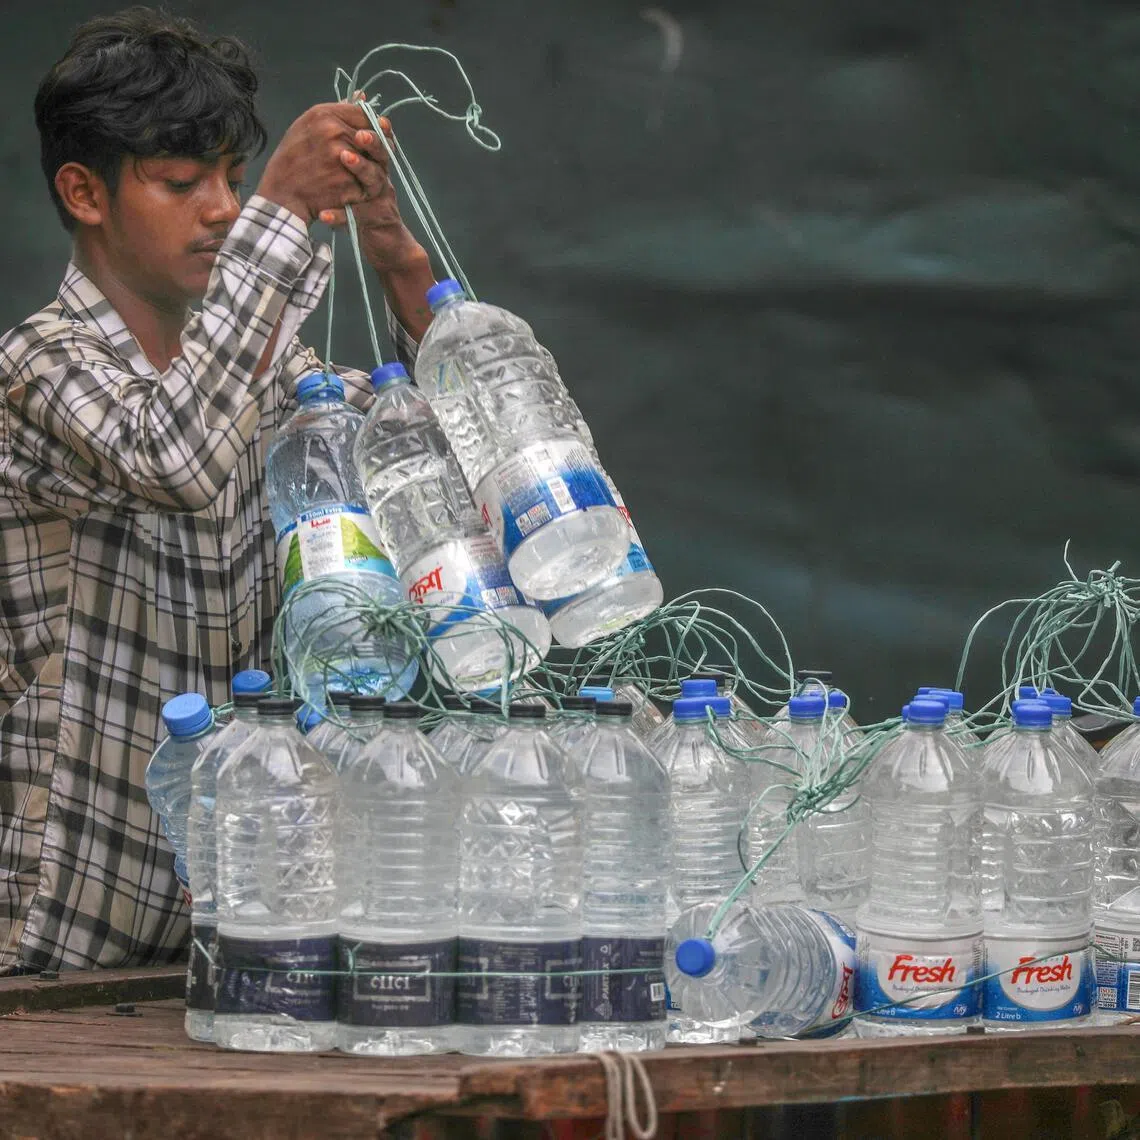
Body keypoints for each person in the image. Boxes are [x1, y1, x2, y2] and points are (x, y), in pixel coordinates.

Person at [0, 7, 436, 973]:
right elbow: (173, 456)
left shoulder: (274, 378)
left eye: (235, 179)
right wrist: (281, 212)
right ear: (84, 193)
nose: (223, 210)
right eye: (181, 181)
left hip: (230, 935)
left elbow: (442, 458)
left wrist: (394, 251)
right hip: (53, 950)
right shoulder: (36, 367)